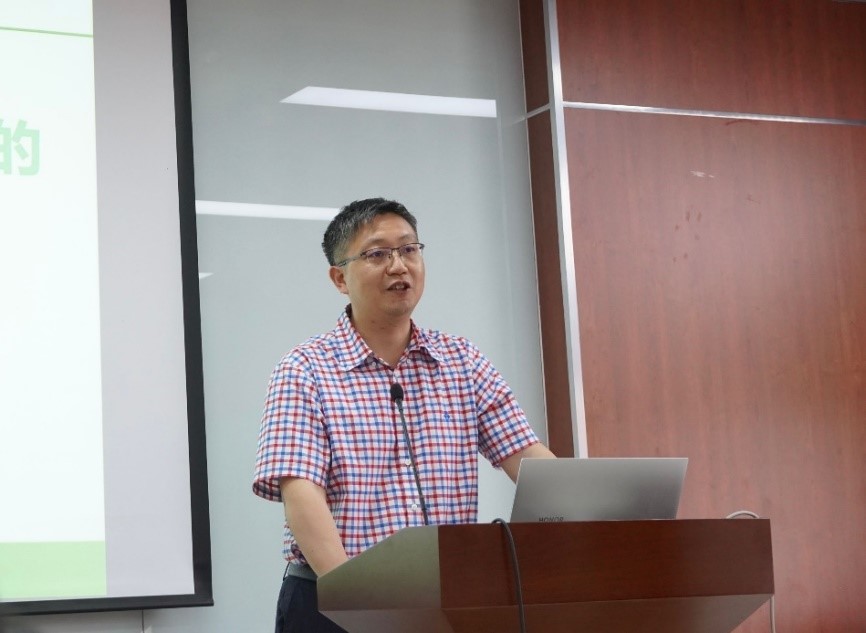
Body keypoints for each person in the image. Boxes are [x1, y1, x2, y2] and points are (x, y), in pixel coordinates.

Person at [253, 197, 555, 632]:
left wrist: (594, 513)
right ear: (339, 278)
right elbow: (301, 495)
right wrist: (358, 602)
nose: (399, 266)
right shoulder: (305, 369)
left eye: (409, 249)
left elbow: (528, 459)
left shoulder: (461, 361)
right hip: (332, 599)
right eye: (377, 254)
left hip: (443, 598)